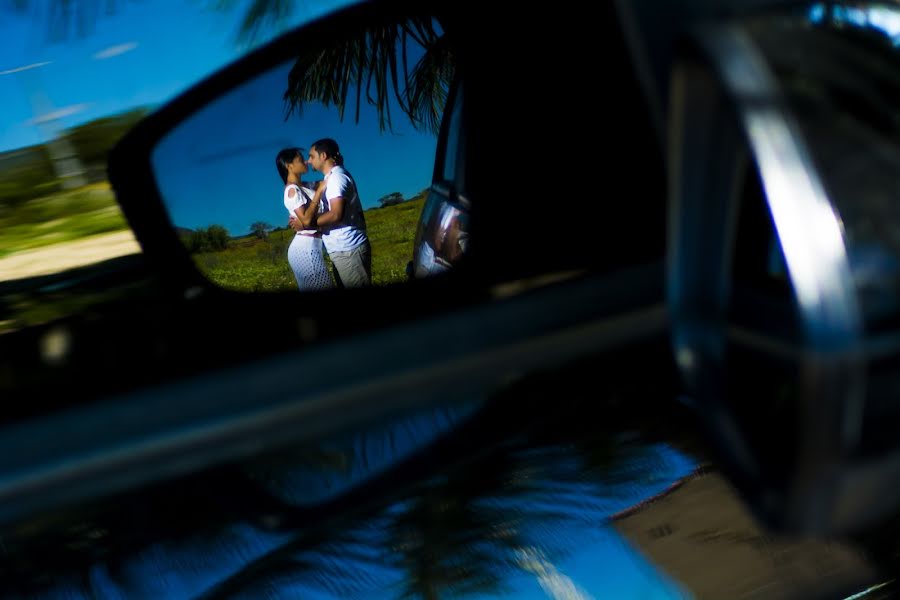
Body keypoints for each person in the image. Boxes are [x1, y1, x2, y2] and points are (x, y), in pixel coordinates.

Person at [290, 138, 371, 287]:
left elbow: (335, 214)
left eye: (311, 156)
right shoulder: (331, 177)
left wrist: (307, 225)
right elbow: (296, 187)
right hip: (343, 250)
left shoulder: (335, 179)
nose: (308, 161)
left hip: (348, 249)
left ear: (323, 156)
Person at [274, 147, 333, 291]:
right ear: (289, 166)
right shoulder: (292, 190)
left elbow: (329, 178)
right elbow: (306, 221)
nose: (306, 161)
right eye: (301, 160)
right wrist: (319, 193)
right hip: (305, 249)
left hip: (311, 246)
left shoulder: (305, 186)